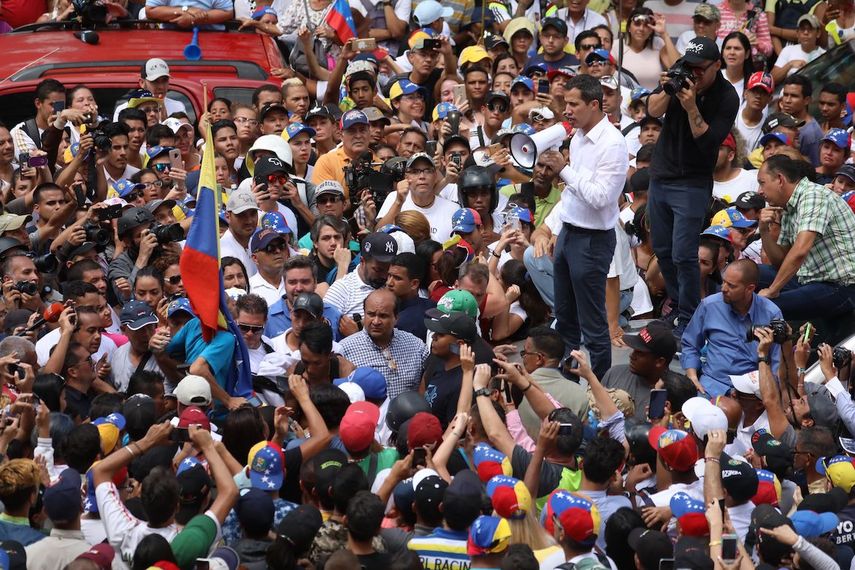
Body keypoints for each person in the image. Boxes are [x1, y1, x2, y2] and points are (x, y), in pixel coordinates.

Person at [535, 74, 628, 378]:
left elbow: (602, 198)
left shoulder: (613, 143)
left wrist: (565, 170)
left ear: (594, 104)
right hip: (570, 234)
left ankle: (599, 382)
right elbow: (573, 196)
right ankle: (565, 374)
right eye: (565, 104)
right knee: (564, 315)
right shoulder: (576, 138)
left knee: (592, 321)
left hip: (593, 241)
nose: (567, 110)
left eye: (574, 104)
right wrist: (553, 228)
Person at [646, 36, 739, 337]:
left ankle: (689, 316)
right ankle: (679, 306)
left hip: (692, 181)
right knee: (662, 249)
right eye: (690, 67)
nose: (693, 73)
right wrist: (666, 89)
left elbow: (709, 142)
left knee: (684, 254)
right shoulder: (681, 70)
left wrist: (690, 107)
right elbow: (653, 110)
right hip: (661, 175)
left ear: (717, 66)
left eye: (700, 68)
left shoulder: (727, 97)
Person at [756, 155, 855, 319]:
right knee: (749, 273)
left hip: (841, 286)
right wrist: (764, 231)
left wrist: (772, 291)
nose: (759, 191)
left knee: (766, 306)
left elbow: (800, 250)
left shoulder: (813, 195)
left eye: (762, 183)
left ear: (780, 180)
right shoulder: (789, 207)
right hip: (810, 279)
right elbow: (780, 261)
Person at [681, 259, 783, 396]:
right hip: (711, 386)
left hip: (752, 392)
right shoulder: (709, 306)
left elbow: (777, 364)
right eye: (723, 281)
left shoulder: (771, 314)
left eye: (731, 286)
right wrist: (692, 376)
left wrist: (768, 395)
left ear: (750, 289)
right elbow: (690, 343)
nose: (723, 288)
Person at [338, 289, 429, 399]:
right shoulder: (345, 349)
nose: (376, 321)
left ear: (396, 318)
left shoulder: (416, 346)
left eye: (383, 316)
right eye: (371, 314)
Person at [515, 326, 589, 439]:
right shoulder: (580, 395)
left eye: (525, 352)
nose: (523, 357)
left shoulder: (515, 387)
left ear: (539, 358)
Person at [325, 232, 398, 318]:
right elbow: (324, 328)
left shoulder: (394, 286)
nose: (385, 276)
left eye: (388, 270)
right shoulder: (342, 289)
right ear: (362, 261)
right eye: (378, 270)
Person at [386, 252, 436, 341]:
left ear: (414, 284)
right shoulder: (432, 306)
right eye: (389, 276)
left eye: (397, 278)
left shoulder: (401, 322)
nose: (389, 283)